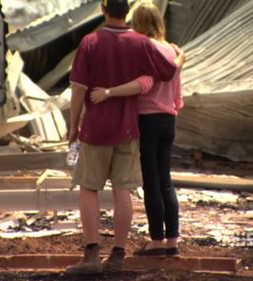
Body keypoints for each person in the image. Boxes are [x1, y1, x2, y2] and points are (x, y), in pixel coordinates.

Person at [66, 0, 184, 275]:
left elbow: (78, 88)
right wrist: (181, 57)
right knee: (123, 190)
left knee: (88, 187)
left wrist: (73, 125)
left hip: (95, 128)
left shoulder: (90, 42)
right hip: (129, 129)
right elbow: (168, 72)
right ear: (126, 13)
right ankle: (118, 255)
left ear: (103, 11)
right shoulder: (141, 43)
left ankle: (92, 254)